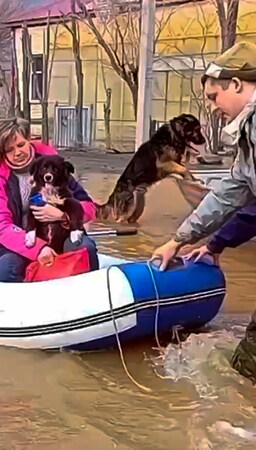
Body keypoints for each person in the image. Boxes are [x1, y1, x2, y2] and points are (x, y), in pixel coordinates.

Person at [147, 42, 256, 383]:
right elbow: (232, 192)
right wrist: (187, 240)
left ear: (236, 84)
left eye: (214, 97)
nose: (213, 107)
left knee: (249, 362)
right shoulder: (248, 133)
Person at [0, 119, 98, 282]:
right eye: (9, 150)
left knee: (86, 248)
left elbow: (89, 207)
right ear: (2, 153)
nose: (17, 153)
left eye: (20, 145)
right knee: (3, 270)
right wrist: (39, 248)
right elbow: (1, 226)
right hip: (20, 241)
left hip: (62, 233)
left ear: (29, 140)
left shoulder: (55, 165)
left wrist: (63, 216)